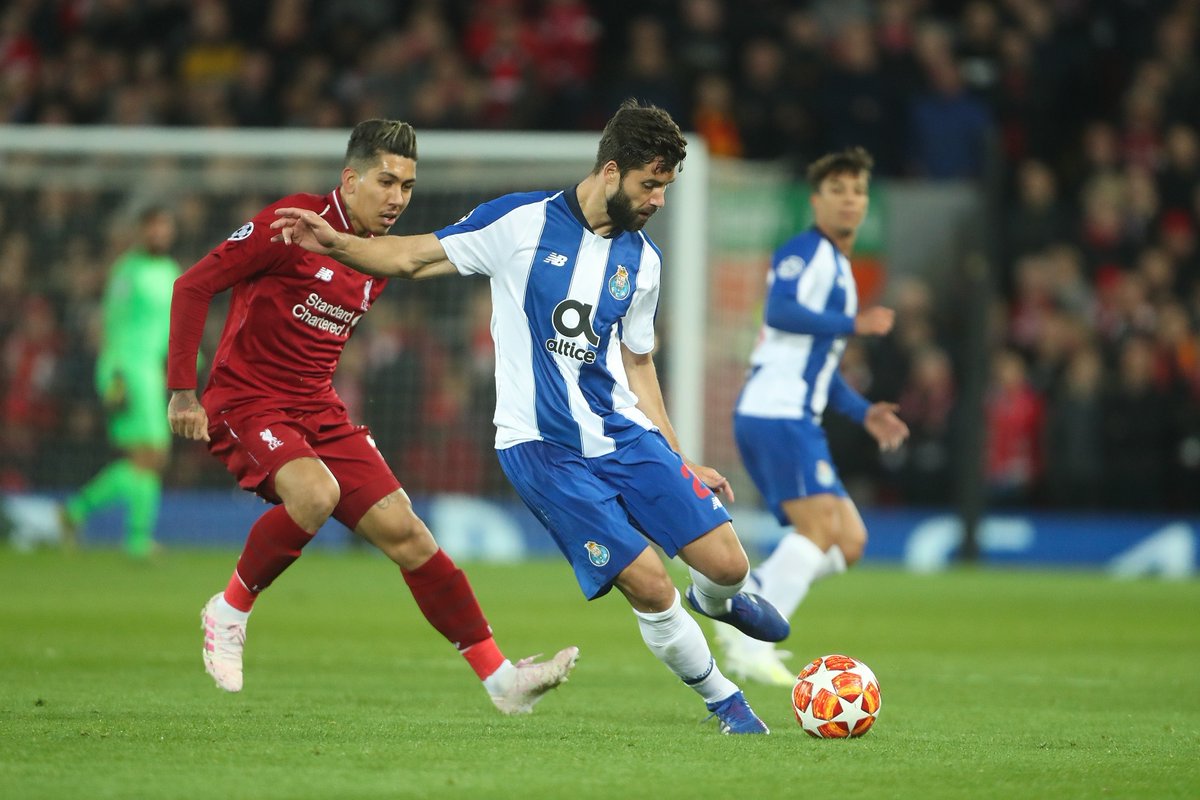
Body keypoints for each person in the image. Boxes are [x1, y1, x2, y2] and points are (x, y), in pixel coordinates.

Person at [271, 99, 790, 735]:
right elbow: (412, 257)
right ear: (609, 171)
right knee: (651, 584)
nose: (658, 199)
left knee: (729, 565)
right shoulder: (520, 223)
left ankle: (719, 601)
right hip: (542, 450)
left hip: (621, 433)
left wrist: (678, 456)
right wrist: (338, 243)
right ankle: (724, 700)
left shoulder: (643, 262)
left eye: (666, 186)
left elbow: (639, 366)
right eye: (650, 184)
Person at [166, 119, 577, 714]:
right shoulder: (292, 222)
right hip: (246, 399)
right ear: (350, 178)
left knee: (408, 535)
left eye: (407, 186)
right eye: (386, 182)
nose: (397, 198)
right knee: (314, 494)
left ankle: (502, 682)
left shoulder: (379, 258)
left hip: (317, 408)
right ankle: (228, 610)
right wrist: (182, 391)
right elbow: (193, 285)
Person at [726, 147, 910, 685]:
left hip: (794, 416)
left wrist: (862, 411)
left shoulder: (840, 268)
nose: (850, 200)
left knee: (848, 540)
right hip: (774, 411)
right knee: (820, 528)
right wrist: (852, 322)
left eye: (857, 190)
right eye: (838, 190)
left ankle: (756, 588)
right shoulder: (803, 253)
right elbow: (780, 310)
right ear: (816, 200)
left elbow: (821, 365)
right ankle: (748, 640)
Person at [61, 207, 181, 558]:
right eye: (153, 228)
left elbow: (173, 325)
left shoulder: (171, 270)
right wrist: (113, 375)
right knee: (149, 455)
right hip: (126, 370)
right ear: (142, 232)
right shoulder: (127, 271)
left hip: (152, 372)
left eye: (164, 227)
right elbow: (109, 323)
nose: (159, 234)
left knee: (150, 457)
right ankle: (133, 537)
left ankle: (76, 513)